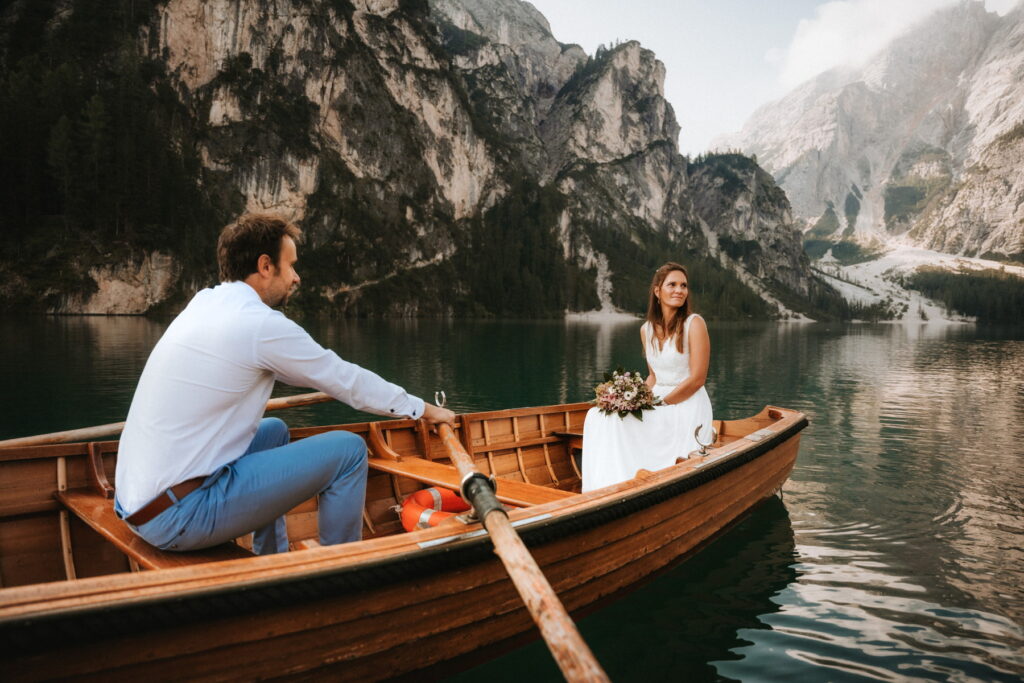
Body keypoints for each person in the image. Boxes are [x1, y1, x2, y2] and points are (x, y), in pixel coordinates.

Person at [113, 213, 455, 555]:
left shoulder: (204, 304)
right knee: (348, 451)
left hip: (136, 506)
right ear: (265, 266)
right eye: (290, 265)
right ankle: (339, 573)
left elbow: (311, 373)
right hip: (179, 516)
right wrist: (423, 409)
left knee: (273, 430)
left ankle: (271, 556)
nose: (296, 277)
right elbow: (345, 380)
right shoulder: (260, 325)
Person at [582, 262, 714, 492]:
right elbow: (653, 376)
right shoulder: (647, 330)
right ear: (657, 291)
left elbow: (697, 379)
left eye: (684, 285)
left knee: (625, 422)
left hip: (686, 403)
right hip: (657, 400)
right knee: (598, 415)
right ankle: (607, 486)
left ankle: (633, 482)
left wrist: (662, 403)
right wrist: (632, 398)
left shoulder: (695, 324)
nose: (679, 290)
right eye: (672, 284)